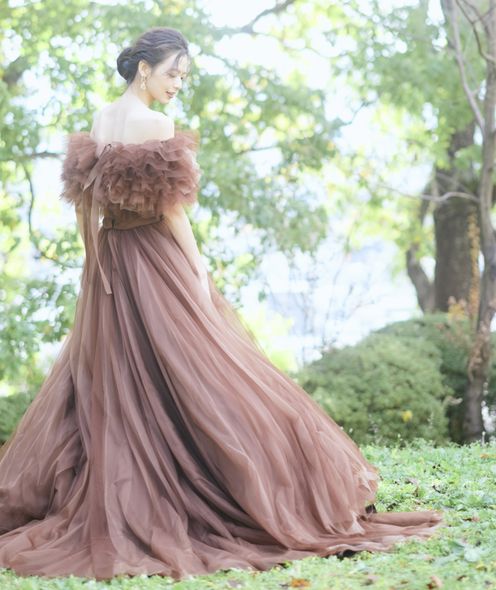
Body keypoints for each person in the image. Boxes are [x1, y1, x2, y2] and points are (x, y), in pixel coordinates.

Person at [0, 27, 443, 582]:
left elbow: (85, 206)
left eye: (184, 76)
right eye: (173, 73)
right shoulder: (155, 124)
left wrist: (95, 262)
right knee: (203, 367)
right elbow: (172, 211)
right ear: (144, 69)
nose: (178, 84)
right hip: (152, 257)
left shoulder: (101, 118)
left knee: (127, 377)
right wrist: (198, 268)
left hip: (111, 260)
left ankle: (148, 477)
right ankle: (238, 481)